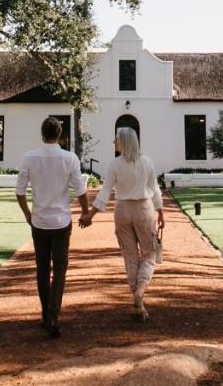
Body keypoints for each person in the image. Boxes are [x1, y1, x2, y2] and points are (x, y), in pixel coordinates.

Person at [79, 126, 164, 321]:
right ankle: (140, 290)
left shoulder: (114, 165)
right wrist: (161, 212)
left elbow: (105, 193)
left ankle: (139, 304)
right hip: (144, 209)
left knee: (130, 257)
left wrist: (90, 215)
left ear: (124, 142)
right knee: (149, 253)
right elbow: (155, 190)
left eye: (116, 140)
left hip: (123, 210)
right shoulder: (147, 162)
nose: (114, 143)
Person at [16, 116, 89, 339]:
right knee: (59, 269)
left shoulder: (30, 157)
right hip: (61, 221)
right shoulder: (70, 158)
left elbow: (20, 192)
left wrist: (28, 214)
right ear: (60, 135)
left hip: (39, 221)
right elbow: (80, 189)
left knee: (42, 269)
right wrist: (86, 212)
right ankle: (53, 316)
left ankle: (45, 315)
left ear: (42, 134)